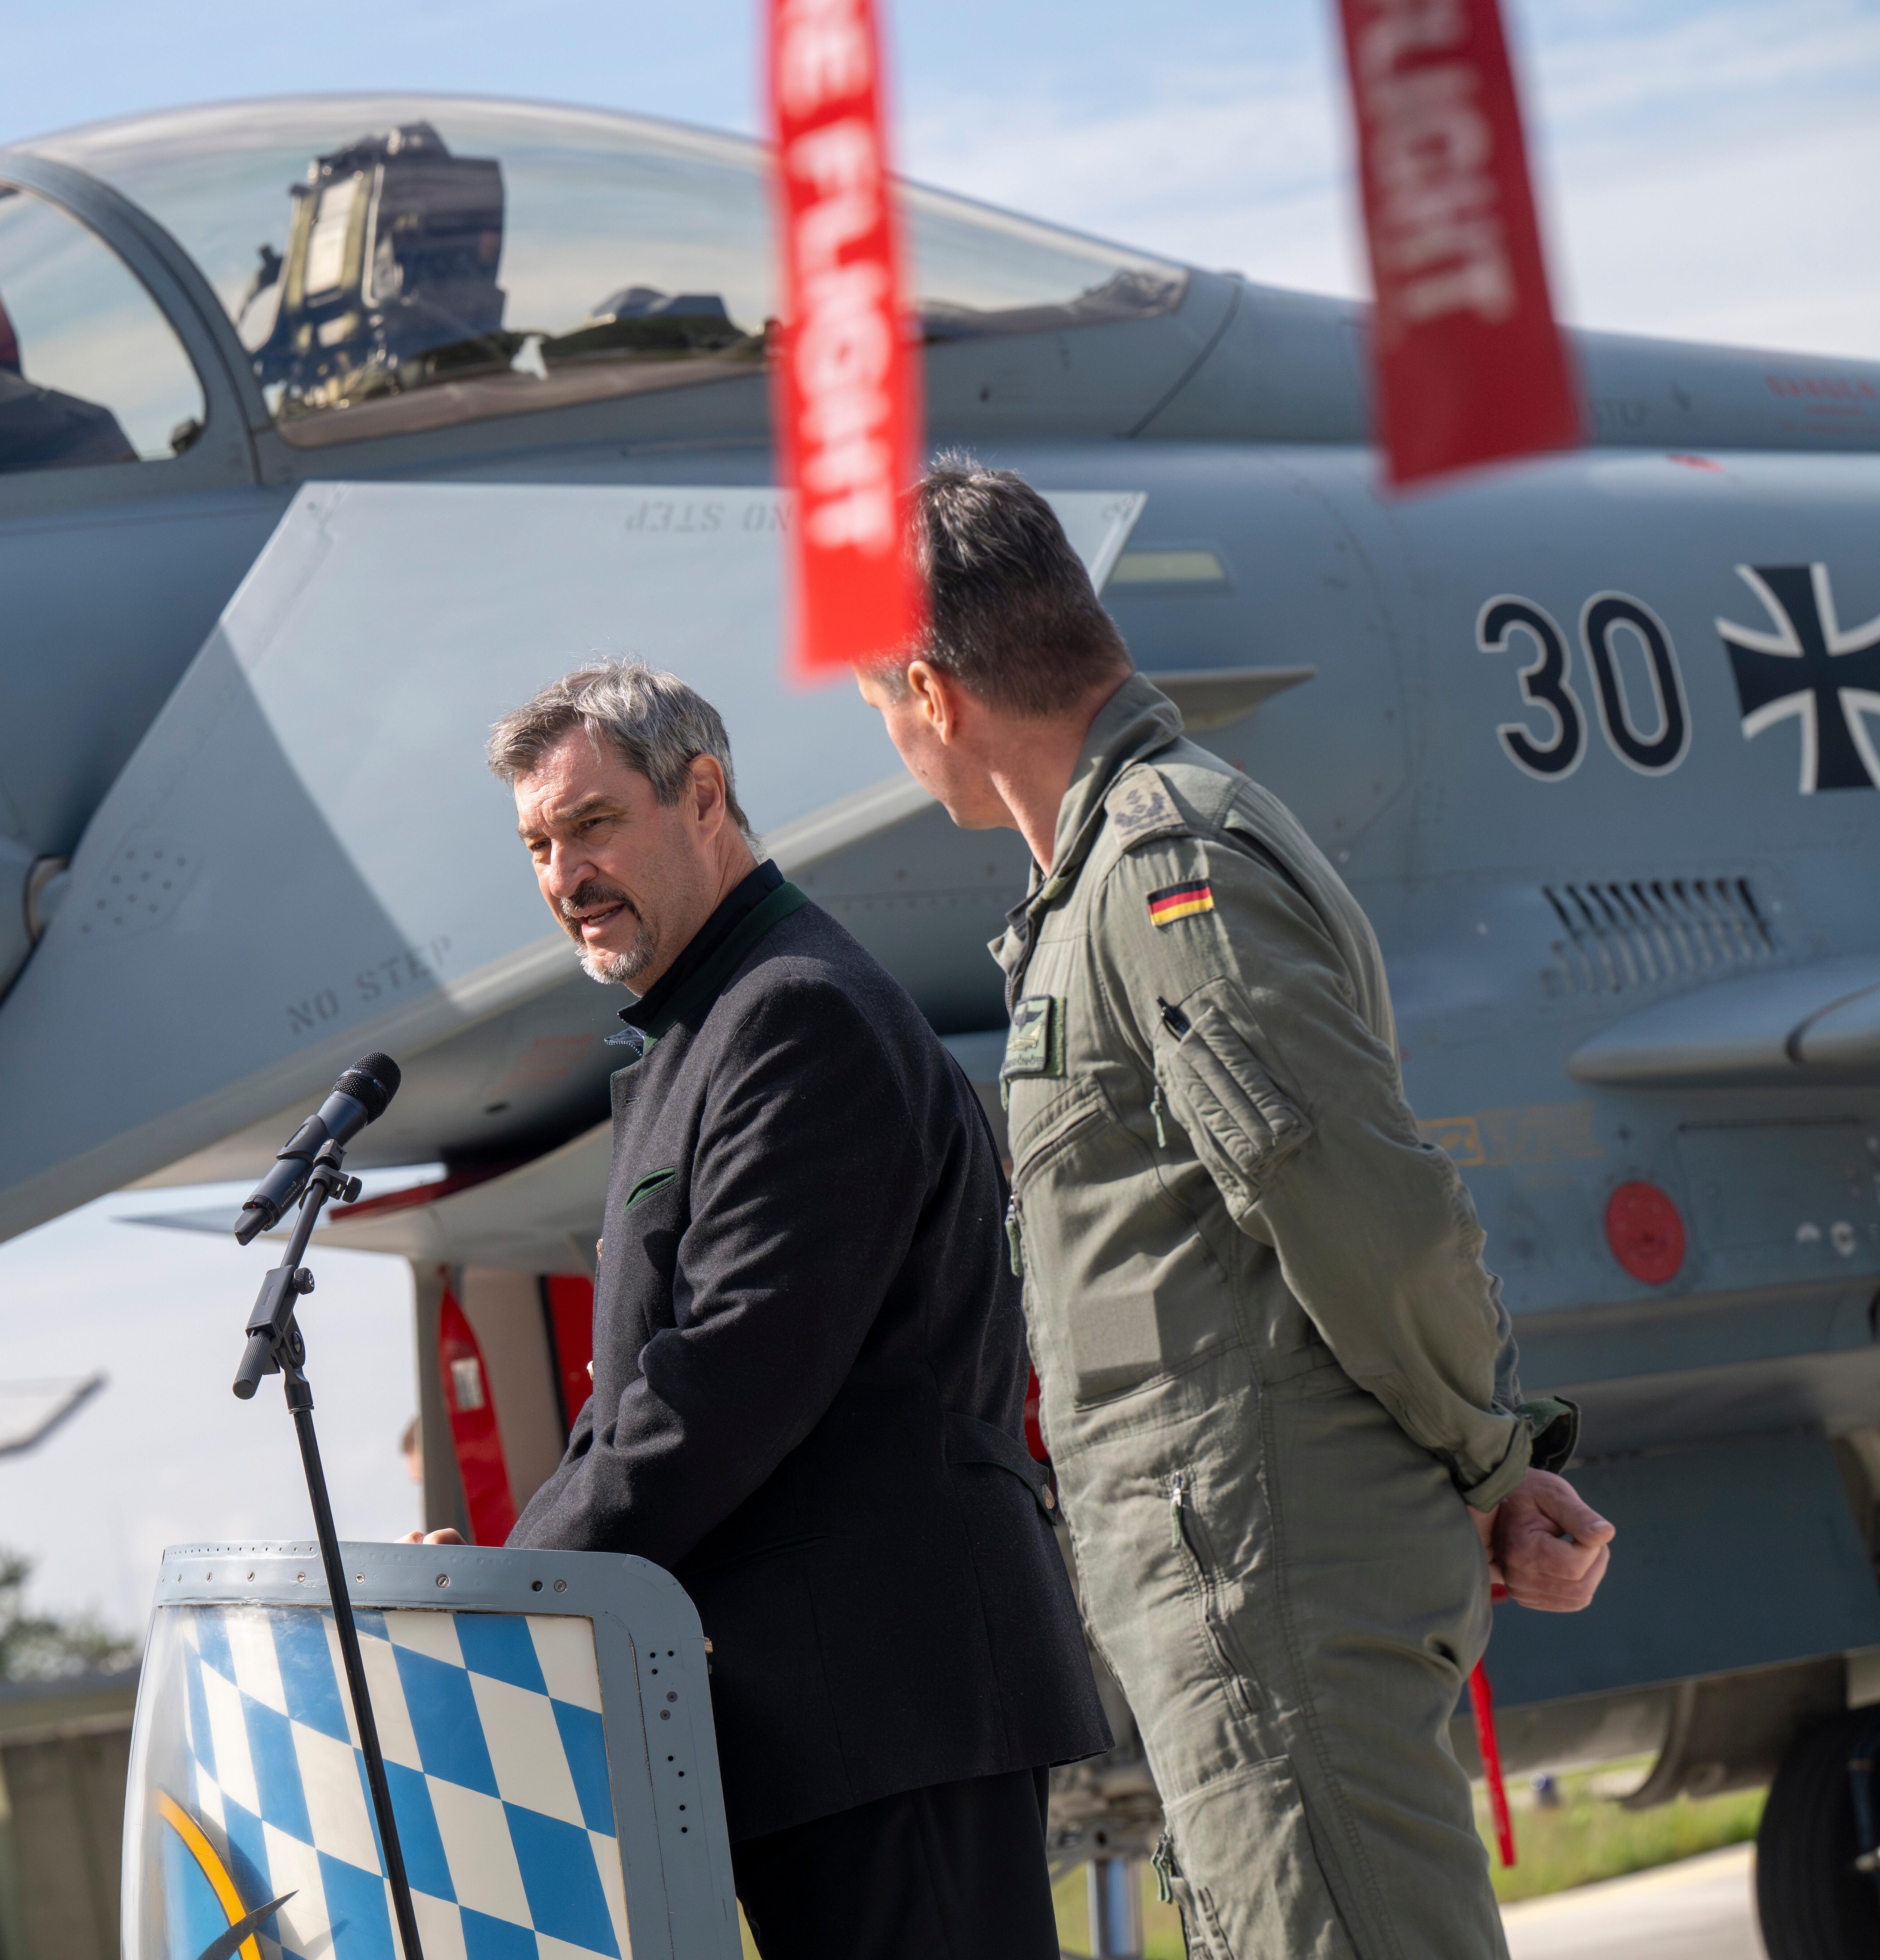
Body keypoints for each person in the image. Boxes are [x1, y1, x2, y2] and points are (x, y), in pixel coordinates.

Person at [851, 454, 1615, 1958]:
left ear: (934, 693)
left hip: (1266, 1580)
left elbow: (1346, 1195)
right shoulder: (1108, 878)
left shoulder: (1159, 869)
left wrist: (1488, 1453)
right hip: (1234, 1583)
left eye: (876, 707)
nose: (885, 744)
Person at [444, 660, 1107, 1959]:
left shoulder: (795, 1017)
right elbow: (637, 1396)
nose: (564, 874)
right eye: (536, 844)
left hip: (889, 1704)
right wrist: (497, 1572)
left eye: (591, 824)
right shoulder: (694, 1036)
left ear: (703, 796)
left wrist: (509, 1594)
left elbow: (725, 1379)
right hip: (820, 1721)